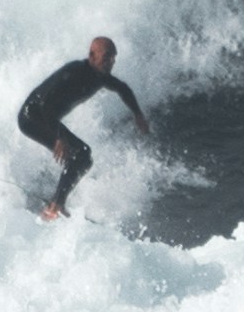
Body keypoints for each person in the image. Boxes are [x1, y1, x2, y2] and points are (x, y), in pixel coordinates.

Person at [16, 34, 149, 219]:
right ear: (92, 55)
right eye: (106, 57)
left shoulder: (101, 76)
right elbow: (44, 105)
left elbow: (123, 88)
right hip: (32, 117)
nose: (110, 62)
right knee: (82, 154)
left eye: (113, 58)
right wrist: (59, 137)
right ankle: (55, 206)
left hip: (45, 118)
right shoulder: (74, 72)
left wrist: (138, 114)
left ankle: (56, 203)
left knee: (82, 157)